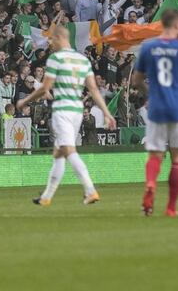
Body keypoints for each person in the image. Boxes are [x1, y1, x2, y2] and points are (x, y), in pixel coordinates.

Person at [16, 26, 116, 206]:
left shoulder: (56, 58)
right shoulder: (83, 60)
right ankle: (47, 196)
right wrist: (107, 113)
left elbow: (45, 89)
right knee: (59, 153)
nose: (49, 43)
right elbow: (93, 89)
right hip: (77, 109)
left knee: (69, 150)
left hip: (62, 109)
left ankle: (90, 190)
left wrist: (24, 102)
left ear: (60, 38)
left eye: (51, 40)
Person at [131, 9, 178, 217]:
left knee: (155, 154)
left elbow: (136, 81)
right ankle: (171, 208)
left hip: (157, 107)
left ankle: (151, 184)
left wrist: (150, 93)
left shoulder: (148, 47)